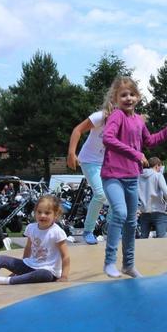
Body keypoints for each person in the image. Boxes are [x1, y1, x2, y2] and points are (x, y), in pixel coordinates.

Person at [100, 77, 167, 278]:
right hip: (113, 175)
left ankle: (128, 264)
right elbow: (108, 138)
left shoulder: (138, 120)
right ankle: (109, 262)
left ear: (138, 97)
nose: (128, 98)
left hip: (132, 177)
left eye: (131, 94)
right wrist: (135, 154)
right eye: (123, 95)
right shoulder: (117, 116)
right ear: (115, 98)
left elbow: (151, 140)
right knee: (120, 213)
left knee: (131, 222)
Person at [0, 195, 70, 288]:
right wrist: (21, 268)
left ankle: (7, 281)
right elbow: (28, 248)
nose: (42, 215)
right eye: (39, 212)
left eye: (47, 213)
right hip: (30, 265)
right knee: (0, 258)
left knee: (43, 274)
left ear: (56, 215)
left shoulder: (57, 232)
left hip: (48, 271)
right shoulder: (31, 227)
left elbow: (65, 256)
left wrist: (64, 276)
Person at [67, 104, 111, 245]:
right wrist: (71, 153)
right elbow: (78, 130)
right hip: (89, 161)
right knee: (100, 194)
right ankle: (88, 230)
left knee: (117, 194)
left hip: (106, 162)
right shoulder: (100, 116)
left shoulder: (124, 122)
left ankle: (112, 227)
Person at [138, 157, 167, 238]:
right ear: (157, 166)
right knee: (162, 238)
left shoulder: (139, 176)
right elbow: (166, 192)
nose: (160, 169)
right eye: (160, 167)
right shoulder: (158, 175)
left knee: (143, 237)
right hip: (158, 211)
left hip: (144, 211)